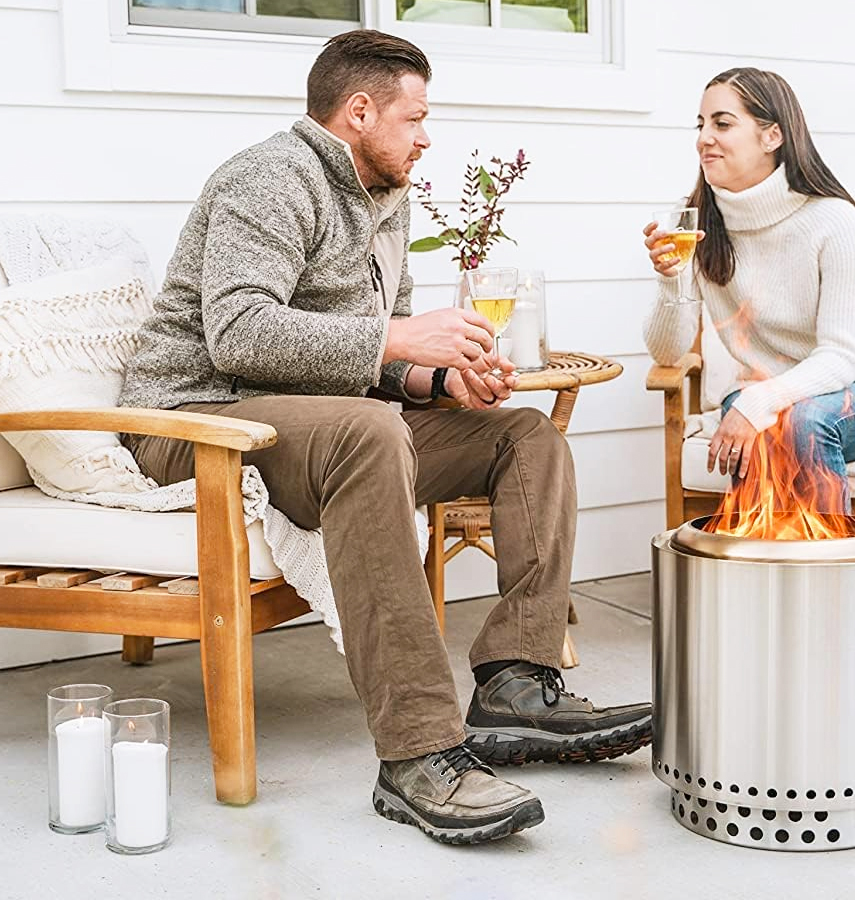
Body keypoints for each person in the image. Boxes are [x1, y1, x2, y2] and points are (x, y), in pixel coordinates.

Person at [118, 29, 650, 845]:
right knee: (370, 431)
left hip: (312, 423)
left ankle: (515, 677)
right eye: (416, 117)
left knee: (522, 436)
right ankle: (417, 753)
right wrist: (400, 342)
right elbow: (238, 335)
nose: (427, 135)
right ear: (359, 110)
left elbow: (372, 359)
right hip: (196, 420)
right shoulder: (268, 179)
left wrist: (437, 380)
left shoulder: (384, 203)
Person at [642, 68, 855, 511]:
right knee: (776, 424)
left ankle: (827, 568)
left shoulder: (832, 219)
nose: (703, 138)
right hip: (766, 388)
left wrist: (757, 403)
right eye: (701, 124)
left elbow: (841, 358)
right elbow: (668, 354)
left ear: (772, 136)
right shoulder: (695, 221)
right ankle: (765, 566)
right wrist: (670, 279)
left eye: (722, 123)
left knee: (802, 422)